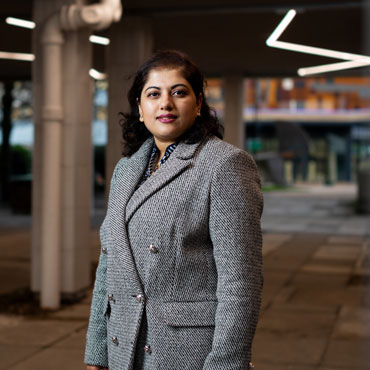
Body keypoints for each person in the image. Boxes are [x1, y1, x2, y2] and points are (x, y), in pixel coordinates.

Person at [85, 50, 263, 370]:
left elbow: (241, 282)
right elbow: (108, 264)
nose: (165, 103)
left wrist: (227, 365)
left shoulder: (225, 165)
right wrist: (97, 352)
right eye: (153, 94)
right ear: (140, 109)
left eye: (178, 92)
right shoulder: (126, 169)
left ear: (198, 105)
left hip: (185, 352)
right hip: (123, 345)